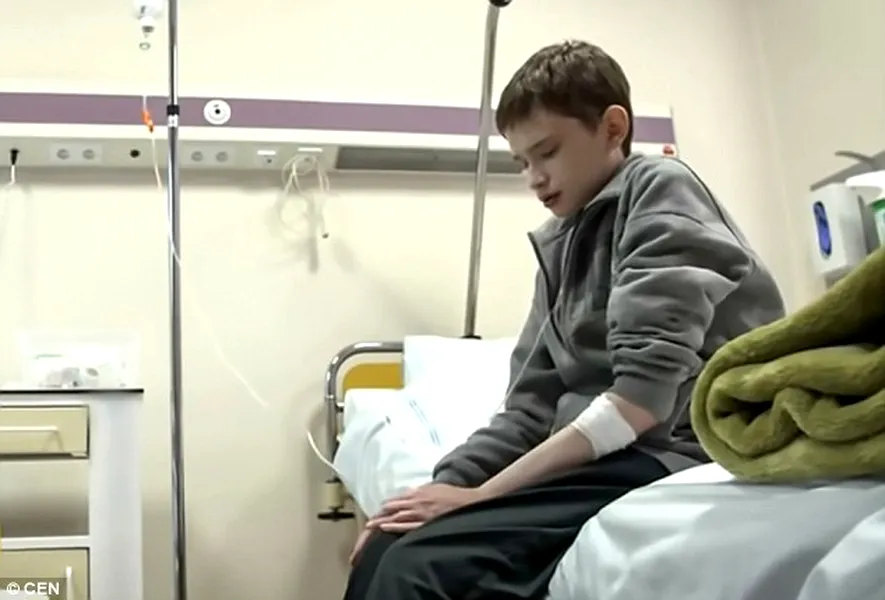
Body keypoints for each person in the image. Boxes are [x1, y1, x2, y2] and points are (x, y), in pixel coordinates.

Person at [343, 40, 786, 599]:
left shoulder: (660, 190)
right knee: (390, 545)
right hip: (608, 456)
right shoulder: (561, 248)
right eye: (522, 163)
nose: (533, 177)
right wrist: (431, 493)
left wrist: (481, 497)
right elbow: (528, 411)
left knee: (421, 568)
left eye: (547, 152)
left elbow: (642, 402)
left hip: (673, 450)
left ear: (613, 128)